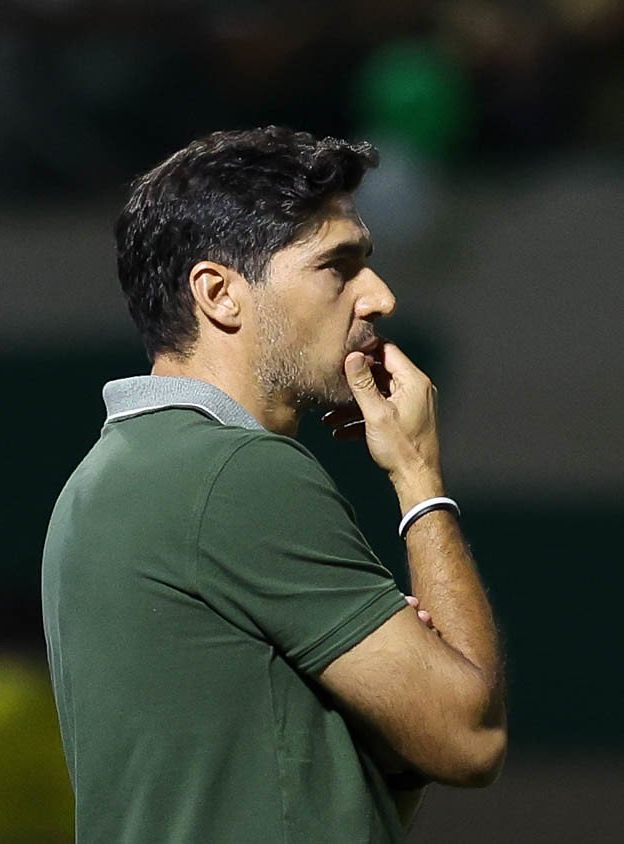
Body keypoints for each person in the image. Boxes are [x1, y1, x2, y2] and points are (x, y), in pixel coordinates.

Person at [41, 127, 506, 843]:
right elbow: (470, 739)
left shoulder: (104, 477)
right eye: (337, 267)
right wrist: (418, 475)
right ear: (220, 294)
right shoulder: (234, 473)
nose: (379, 296)